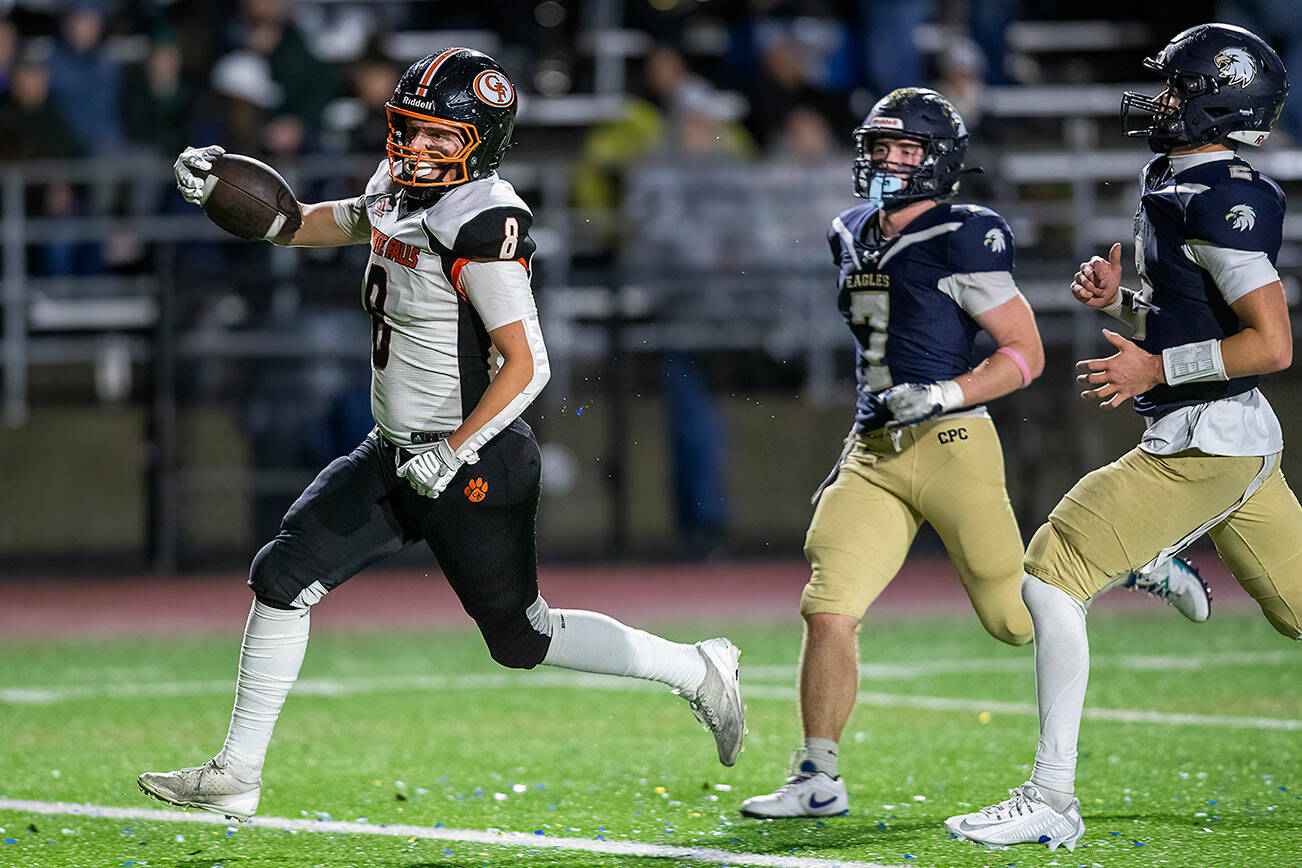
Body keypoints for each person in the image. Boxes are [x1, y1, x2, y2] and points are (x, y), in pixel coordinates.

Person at [137, 48, 744, 823]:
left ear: (481, 143)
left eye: (438, 138)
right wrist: (228, 192)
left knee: (522, 638)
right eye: (410, 132)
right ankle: (237, 775)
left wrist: (454, 451)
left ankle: (698, 669)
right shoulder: (396, 186)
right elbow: (312, 224)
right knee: (282, 577)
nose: (416, 150)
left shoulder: (481, 217)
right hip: (395, 448)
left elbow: (530, 365)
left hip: (472, 460)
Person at [737, 88, 1211, 820]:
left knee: (1013, 620)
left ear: (940, 162)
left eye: (907, 150)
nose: (889, 162)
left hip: (953, 442)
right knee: (828, 606)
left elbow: (1025, 352)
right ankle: (817, 775)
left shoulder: (966, 231)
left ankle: (1132, 563)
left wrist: (944, 395)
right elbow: (878, 352)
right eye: (880, 148)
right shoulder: (849, 228)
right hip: (874, 447)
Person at [947, 23, 1296, 851]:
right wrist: (1123, 309)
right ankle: (1151, 556)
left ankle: (1051, 797)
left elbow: (1271, 343)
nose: (1163, 100)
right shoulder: (1179, 179)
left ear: (1221, 99)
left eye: (1179, 88)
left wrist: (1156, 370)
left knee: (1053, 571)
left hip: (1205, 439)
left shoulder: (1222, 197)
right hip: (1233, 442)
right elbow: (1191, 320)